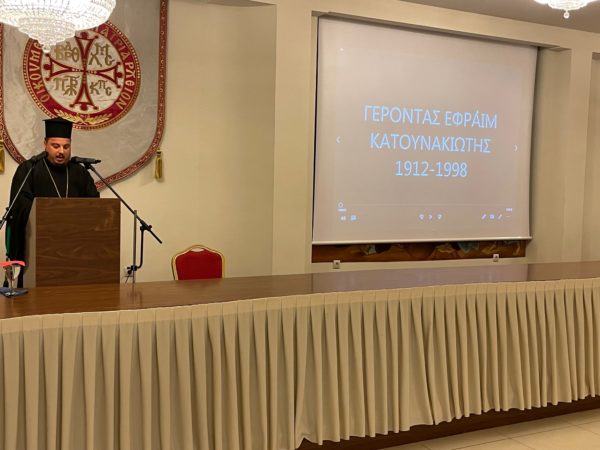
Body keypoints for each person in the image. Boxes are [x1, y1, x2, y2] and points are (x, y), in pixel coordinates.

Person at [5, 117, 99, 284]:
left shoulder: (80, 173)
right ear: (45, 144)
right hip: (37, 248)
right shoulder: (29, 169)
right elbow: (20, 207)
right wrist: (53, 217)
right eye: (55, 146)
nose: (61, 151)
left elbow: (95, 208)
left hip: (76, 250)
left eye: (66, 147)